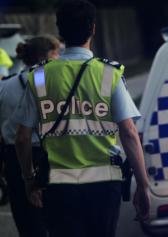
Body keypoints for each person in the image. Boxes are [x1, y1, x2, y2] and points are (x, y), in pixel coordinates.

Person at [14, 1, 150, 237]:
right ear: (93, 29)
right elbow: (128, 132)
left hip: (58, 185)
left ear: (60, 31)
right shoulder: (108, 73)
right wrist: (144, 185)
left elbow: (23, 137)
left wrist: (29, 180)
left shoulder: (39, 76)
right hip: (104, 184)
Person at [0, 35, 60, 237]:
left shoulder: (5, 86)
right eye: (57, 53)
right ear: (49, 55)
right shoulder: (54, 85)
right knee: (58, 221)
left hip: (14, 161)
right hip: (51, 155)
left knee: (27, 224)